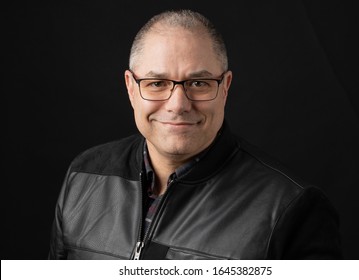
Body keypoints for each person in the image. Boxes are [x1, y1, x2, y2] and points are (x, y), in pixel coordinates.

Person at [48, 9, 342, 260]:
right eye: (157, 83)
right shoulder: (84, 175)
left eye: (199, 83)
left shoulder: (292, 208)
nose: (178, 104)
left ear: (225, 87)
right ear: (130, 87)